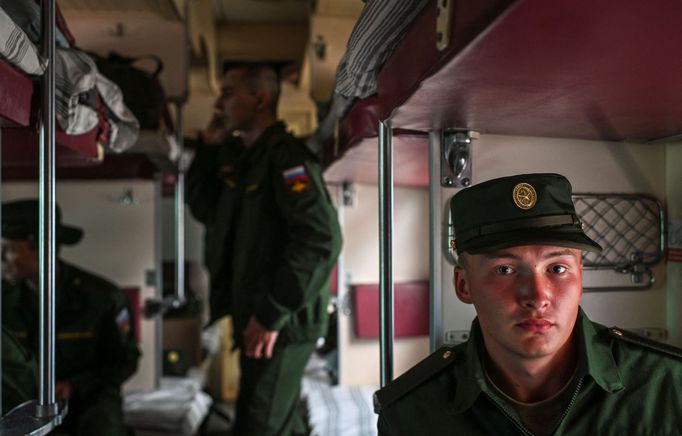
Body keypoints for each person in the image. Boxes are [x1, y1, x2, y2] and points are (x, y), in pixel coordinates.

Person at [375, 173, 682, 435]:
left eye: (557, 269)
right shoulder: (410, 416)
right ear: (463, 284)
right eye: (505, 270)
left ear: (580, 279)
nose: (537, 297)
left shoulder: (668, 385)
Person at [186, 62, 342, 436]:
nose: (218, 103)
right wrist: (208, 149)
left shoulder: (287, 158)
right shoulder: (243, 159)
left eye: (227, 93)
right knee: (274, 419)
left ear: (259, 98)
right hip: (259, 312)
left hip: (281, 320)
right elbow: (204, 207)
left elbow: (321, 239)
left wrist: (272, 314)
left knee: (257, 424)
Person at [1, 199, 140, 435]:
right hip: (24, 404)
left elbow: (124, 359)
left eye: (10, 250)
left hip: (87, 403)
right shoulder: (4, 300)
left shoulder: (101, 298)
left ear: (41, 246)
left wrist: (75, 385)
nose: (3, 258)